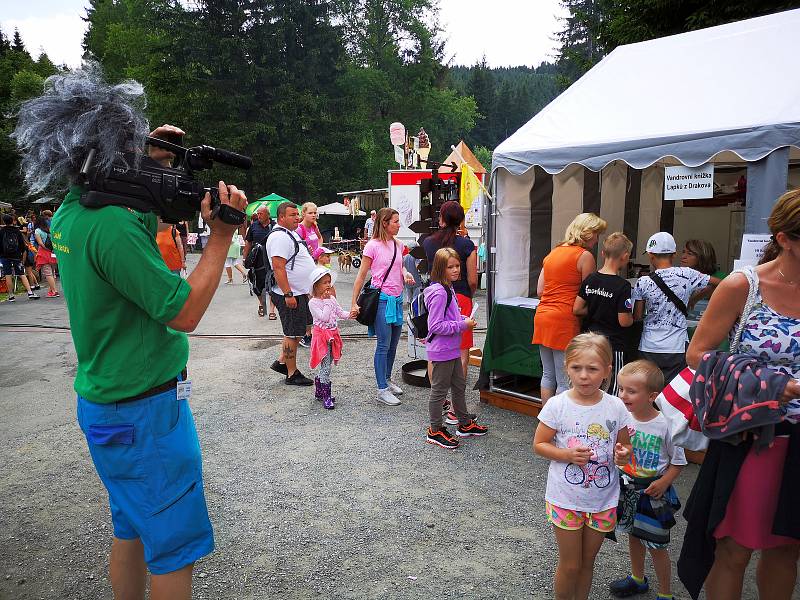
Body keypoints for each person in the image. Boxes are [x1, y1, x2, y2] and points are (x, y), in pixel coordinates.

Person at [13, 64, 251, 600]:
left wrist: (160, 162)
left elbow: (144, 209)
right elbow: (183, 312)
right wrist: (221, 234)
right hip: (145, 412)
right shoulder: (114, 226)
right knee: (174, 545)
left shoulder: (72, 212)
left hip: (108, 404)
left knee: (133, 528)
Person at [677, 189, 800, 600]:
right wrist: (774, 384)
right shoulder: (743, 285)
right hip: (752, 431)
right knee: (734, 547)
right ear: (784, 238)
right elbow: (697, 353)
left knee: (787, 549)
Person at [533, 333, 633, 600]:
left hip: (603, 499)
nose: (584, 375)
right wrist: (566, 454)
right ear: (567, 368)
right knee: (571, 564)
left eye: (592, 369)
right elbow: (539, 444)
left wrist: (623, 455)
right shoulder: (557, 405)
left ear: (607, 371)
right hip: (565, 498)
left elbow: (624, 447)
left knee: (587, 564)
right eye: (577, 368)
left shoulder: (616, 407)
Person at [609, 360, 686, 600]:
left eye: (631, 391)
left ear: (652, 396)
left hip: (653, 492)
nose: (623, 395)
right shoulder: (623, 419)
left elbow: (679, 461)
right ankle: (637, 579)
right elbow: (617, 451)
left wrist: (664, 483)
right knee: (633, 535)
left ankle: (665, 593)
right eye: (621, 389)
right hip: (627, 487)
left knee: (657, 546)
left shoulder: (666, 425)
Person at [534, 213, 608, 402]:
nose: (597, 239)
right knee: (564, 378)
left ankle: (547, 418)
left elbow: (540, 291)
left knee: (548, 374)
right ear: (587, 232)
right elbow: (588, 295)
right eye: (596, 233)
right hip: (565, 319)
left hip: (543, 316)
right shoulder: (584, 256)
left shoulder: (553, 252)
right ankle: (560, 423)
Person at [632, 232, 719, 383]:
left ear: (651, 255)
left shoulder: (643, 281)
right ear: (673, 254)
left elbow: (637, 317)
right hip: (676, 347)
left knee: (647, 390)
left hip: (648, 346)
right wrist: (697, 297)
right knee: (672, 394)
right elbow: (720, 282)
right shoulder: (688, 274)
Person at [350, 208, 415, 405]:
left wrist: (405, 273)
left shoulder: (398, 244)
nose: (398, 224)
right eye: (395, 221)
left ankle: (386, 379)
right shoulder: (372, 246)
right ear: (384, 223)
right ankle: (381, 389)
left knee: (393, 345)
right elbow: (361, 275)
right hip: (382, 301)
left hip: (396, 300)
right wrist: (353, 302)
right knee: (383, 345)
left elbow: (399, 265)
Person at [424, 247, 486, 449]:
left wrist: (461, 319)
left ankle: (464, 423)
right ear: (440, 268)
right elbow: (435, 325)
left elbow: (448, 317)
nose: (456, 270)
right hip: (442, 350)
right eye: (450, 267)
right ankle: (435, 430)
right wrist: (462, 325)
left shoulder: (447, 288)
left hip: (450, 347)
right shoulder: (440, 292)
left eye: (458, 265)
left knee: (459, 386)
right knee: (439, 391)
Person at [573, 232, 634, 395]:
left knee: (589, 384)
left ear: (602, 253)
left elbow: (577, 309)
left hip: (590, 341)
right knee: (613, 388)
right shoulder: (623, 286)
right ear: (625, 256)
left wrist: (595, 308)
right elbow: (624, 321)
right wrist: (632, 316)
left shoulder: (591, 279)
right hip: (613, 345)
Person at [423, 201, 478, 377]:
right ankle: (456, 397)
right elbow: (473, 279)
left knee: (434, 349)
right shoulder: (467, 245)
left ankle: (438, 396)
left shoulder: (428, 243)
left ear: (442, 219)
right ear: (460, 220)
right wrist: (470, 294)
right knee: (462, 350)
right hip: (461, 296)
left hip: (435, 296)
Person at [266, 202, 316, 386]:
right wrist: (288, 294)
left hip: (298, 291)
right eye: (293, 215)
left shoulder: (289, 233)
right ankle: (291, 373)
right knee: (292, 333)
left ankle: (281, 362)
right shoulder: (279, 237)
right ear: (281, 218)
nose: (297, 217)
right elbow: (278, 267)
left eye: (297, 214)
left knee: (299, 330)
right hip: (289, 293)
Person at [308, 266, 349, 409]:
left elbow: (340, 312)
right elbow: (324, 318)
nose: (328, 285)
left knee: (329, 362)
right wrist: (326, 302)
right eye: (325, 282)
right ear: (316, 285)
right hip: (321, 338)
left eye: (329, 282)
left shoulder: (331, 298)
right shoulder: (313, 303)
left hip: (333, 335)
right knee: (326, 367)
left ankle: (319, 391)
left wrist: (352, 314)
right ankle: (326, 396)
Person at [297, 202, 333, 348]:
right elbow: (298, 247)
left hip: (315, 265)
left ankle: (316, 331)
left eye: (315, 212)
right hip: (306, 267)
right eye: (311, 213)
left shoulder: (314, 226)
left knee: (317, 296)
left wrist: (316, 251)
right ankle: (306, 334)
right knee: (309, 298)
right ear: (303, 213)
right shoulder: (300, 229)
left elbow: (320, 239)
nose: (314, 215)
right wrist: (308, 253)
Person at [243, 205, 276, 318]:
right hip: (257, 260)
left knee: (273, 284)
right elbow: (248, 242)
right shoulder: (254, 226)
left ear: (268, 214)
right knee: (257, 284)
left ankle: (272, 310)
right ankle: (262, 304)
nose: (258, 215)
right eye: (258, 213)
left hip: (271, 259)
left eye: (261, 213)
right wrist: (244, 257)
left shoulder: (274, 226)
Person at [679, 239, 725, 315]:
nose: (683, 256)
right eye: (683, 252)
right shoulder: (679, 275)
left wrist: (701, 294)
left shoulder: (721, 277)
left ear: (703, 257)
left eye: (689, 254)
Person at [0, 213, 40, 300]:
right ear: (13, 221)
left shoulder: (1, 231)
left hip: (4, 256)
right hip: (16, 256)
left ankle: (11, 295)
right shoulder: (17, 231)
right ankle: (30, 293)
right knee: (22, 273)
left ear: (4, 221)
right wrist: (23, 258)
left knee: (8, 274)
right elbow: (23, 246)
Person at [33, 213, 60, 298]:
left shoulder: (37, 231)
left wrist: (47, 249)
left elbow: (40, 243)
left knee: (48, 274)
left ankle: (55, 291)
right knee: (52, 273)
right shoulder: (49, 230)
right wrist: (51, 250)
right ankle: (51, 291)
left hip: (44, 254)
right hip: (52, 253)